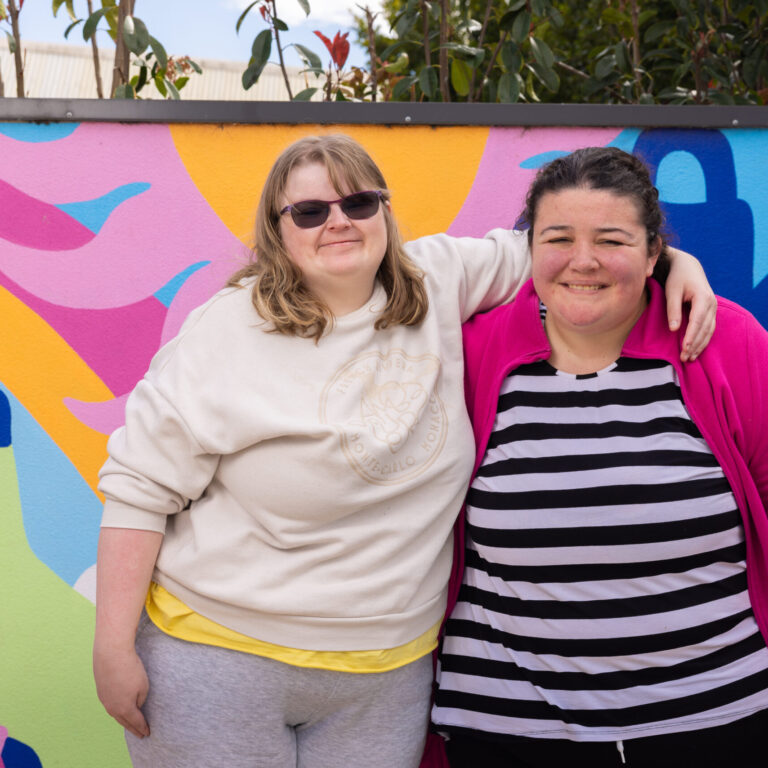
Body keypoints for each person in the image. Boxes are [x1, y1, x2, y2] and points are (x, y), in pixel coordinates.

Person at [93, 135, 716, 768]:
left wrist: (673, 262)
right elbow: (139, 490)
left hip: (387, 676)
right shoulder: (227, 329)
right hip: (220, 655)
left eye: (359, 203)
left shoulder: (438, 277)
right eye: (309, 211)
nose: (338, 221)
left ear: (384, 213)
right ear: (277, 231)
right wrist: (112, 648)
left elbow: (565, 251)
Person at [430, 146, 768, 768]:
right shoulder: (469, 350)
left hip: (718, 715)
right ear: (528, 248)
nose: (582, 261)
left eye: (611, 240)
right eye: (558, 238)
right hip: (509, 728)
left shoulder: (723, 340)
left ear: (652, 253)